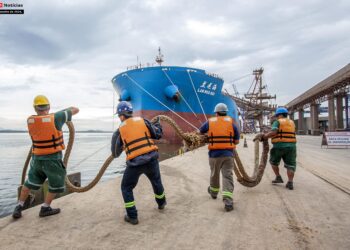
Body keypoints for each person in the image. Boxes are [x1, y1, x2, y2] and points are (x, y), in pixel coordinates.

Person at [12, 95, 79, 219]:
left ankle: (19, 206)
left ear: (35, 108)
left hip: (36, 159)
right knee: (55, 184)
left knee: (29, 182)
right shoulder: (56, 117)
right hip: (52, 160)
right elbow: (75, 109)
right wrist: (59, 112)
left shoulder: (30, 120)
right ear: (49, 107)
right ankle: (45, 207)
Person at [111, 101, 166, 225]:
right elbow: (157, 134)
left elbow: (115, 153)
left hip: (135, 164)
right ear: (131, 112)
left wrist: (124, 144)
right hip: (152, 159)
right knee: (156, 181)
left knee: (126, 187)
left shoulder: (119, 131)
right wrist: (158, 124)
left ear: (121, 116)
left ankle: (132, 216)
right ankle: (161, 203)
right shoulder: (144, 121)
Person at [199, 103, 240, 211]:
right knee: (227, 176)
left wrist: (210, 136)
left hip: (214, 155)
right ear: (226, 112)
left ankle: (213, 193)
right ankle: (228, 202)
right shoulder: (232, 123)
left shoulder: (210, 121)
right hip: (228, 155)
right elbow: (237, 141)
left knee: (214, 174)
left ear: (216, 113)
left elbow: (200, 131)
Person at [261, 107, 297, 190]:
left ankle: (278, 177)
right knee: (291, 165)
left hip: (279, 146)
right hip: (291, 146)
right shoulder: (292, 122)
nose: (276, 117)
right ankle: (290, 182)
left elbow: (274, 132)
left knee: (273, 162)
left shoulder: (277, 122)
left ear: (280, 115)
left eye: (277, 115)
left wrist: (264, 136)